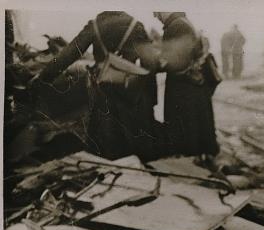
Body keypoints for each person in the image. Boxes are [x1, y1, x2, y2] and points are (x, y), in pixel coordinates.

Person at [34, 11, 161, 161]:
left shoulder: (94, 26)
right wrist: (152, 100)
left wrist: (42, 78)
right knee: (134, 145)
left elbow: (68, 55)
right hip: (130, 93)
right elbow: (150, 65)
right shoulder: (135, 25)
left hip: (104, 92)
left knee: (105, 147)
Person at [155, 11, 219, 158]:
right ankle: (201, 155)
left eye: (157, 12)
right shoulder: (183, 23)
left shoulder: (175, 26)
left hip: (184, 86)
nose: (155, 16)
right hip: (192, 83)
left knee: (186, 125)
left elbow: (174, 60)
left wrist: (153, 65)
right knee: (196, 123)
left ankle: (191, 157)